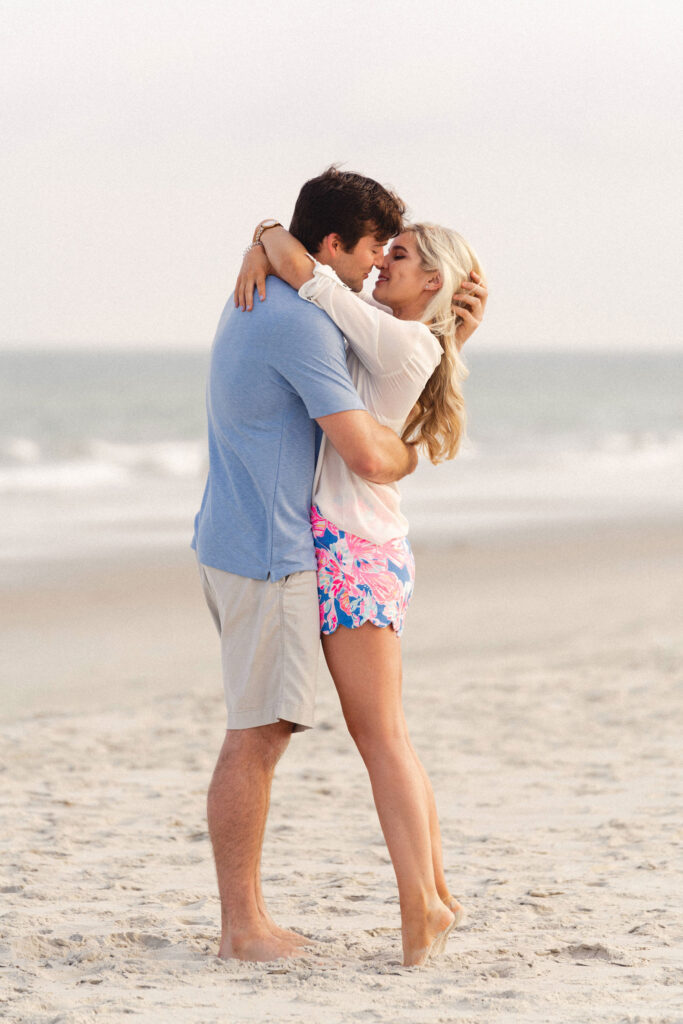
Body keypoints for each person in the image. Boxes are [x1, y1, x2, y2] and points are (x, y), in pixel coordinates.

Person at [234, 218, 487, 966]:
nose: (380, 266)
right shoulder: (399, 334)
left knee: (380, 739)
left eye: (398, 257)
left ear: (431, 282)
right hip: (364, 546)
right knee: (387, 737)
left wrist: (265, 237)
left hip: (352, 549)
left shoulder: (398, 338)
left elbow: (305, 273)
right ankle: (434, 894)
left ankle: (425, 906)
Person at [192, 167, 420, 964]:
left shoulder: (259, 292)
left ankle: (246, 918)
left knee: (261, 728)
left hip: (231, 536)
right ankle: (241, 929)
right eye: (367, 253)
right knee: (257, 734)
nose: (371, 270)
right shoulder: (301, 323)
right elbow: (364, 453)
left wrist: (263, 235)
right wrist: (417, 451)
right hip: (268, 552)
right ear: (330, 245)